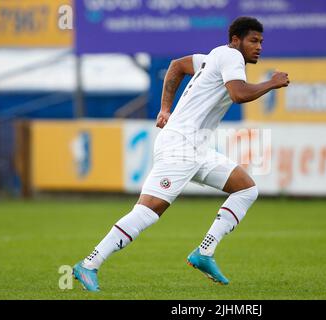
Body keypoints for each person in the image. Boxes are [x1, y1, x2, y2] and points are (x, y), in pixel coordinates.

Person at [72, 16, 290, 292]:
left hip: (195, 147)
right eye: (253, 41)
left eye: (261, 42)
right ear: (236, 40)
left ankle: (204, 253)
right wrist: (271, 83)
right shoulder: (232, 57)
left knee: (246, 189)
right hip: (180, 146)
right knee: (148, 212)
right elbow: (237, 94)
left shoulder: (212, 58)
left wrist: (165, 109)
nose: (259, 47)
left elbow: (176, 66)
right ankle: (89, 264)